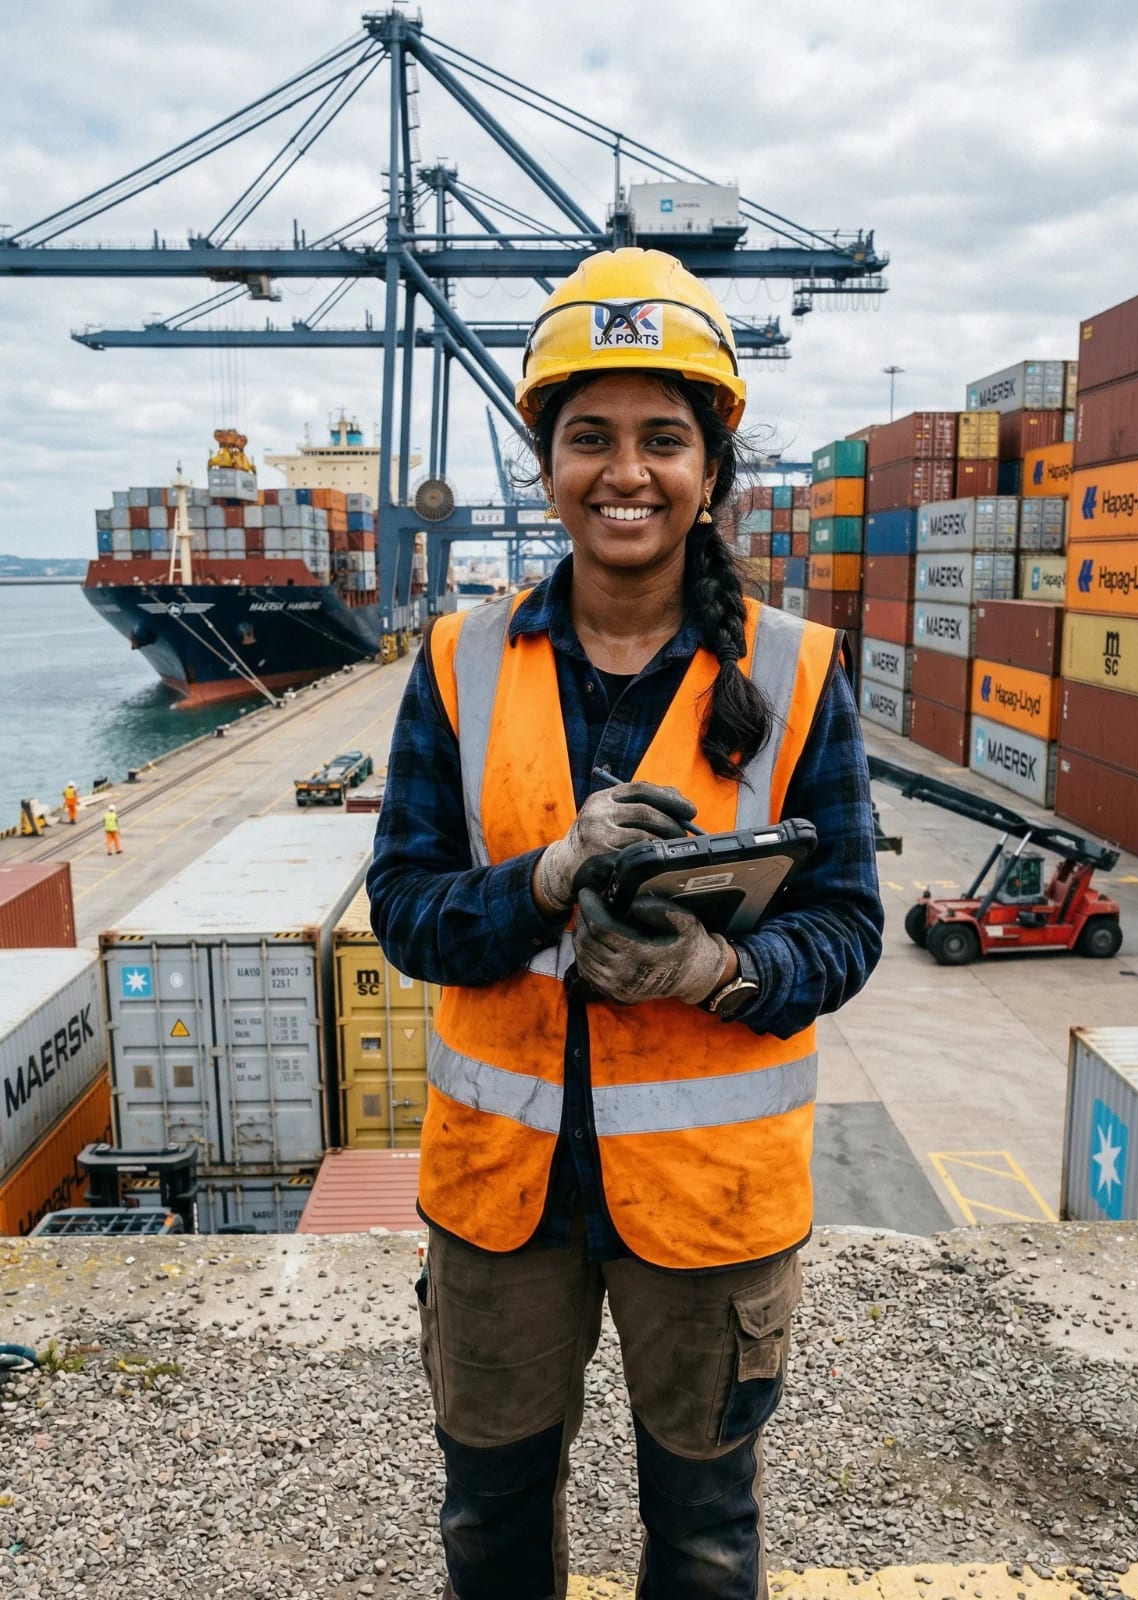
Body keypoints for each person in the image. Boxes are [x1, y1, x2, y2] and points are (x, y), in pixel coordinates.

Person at [367, 247, 884, 1600]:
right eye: (587, 437)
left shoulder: (793, 673)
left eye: (664, 437)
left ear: (711, 464)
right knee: (490, 1533)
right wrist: (544, 879)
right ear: (545, 464)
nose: (626, 472)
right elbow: (409, 914)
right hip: (502, 1198)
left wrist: (722, 967)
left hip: (712, 1205)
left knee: (707, 1544)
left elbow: (847, 929)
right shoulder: (458, 666)